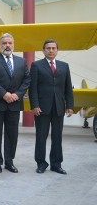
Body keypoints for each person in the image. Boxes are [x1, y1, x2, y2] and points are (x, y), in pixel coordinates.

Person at [0, 33, 30, 173]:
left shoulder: (21, 61)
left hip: (14, 104)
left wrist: (17, 94)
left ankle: (9, 162)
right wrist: (4, 94)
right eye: (4, 43)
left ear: (13, 45)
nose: (7, 45)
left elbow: (27, 80)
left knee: (12, 134)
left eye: (10, 43)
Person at [29, 39, 74, 175]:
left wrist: (70, 105)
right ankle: (41, 163)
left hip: (59, 107)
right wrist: (35, 105)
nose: (51, 50)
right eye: (48, 48)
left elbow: (68, 88)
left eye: (53, 48)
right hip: (42, 108)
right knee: (41, 137)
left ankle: (56, 164)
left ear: (57, 50)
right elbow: (33, 88)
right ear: (43, 51)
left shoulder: (64, 66)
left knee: (57, 137)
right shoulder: (36, 66)